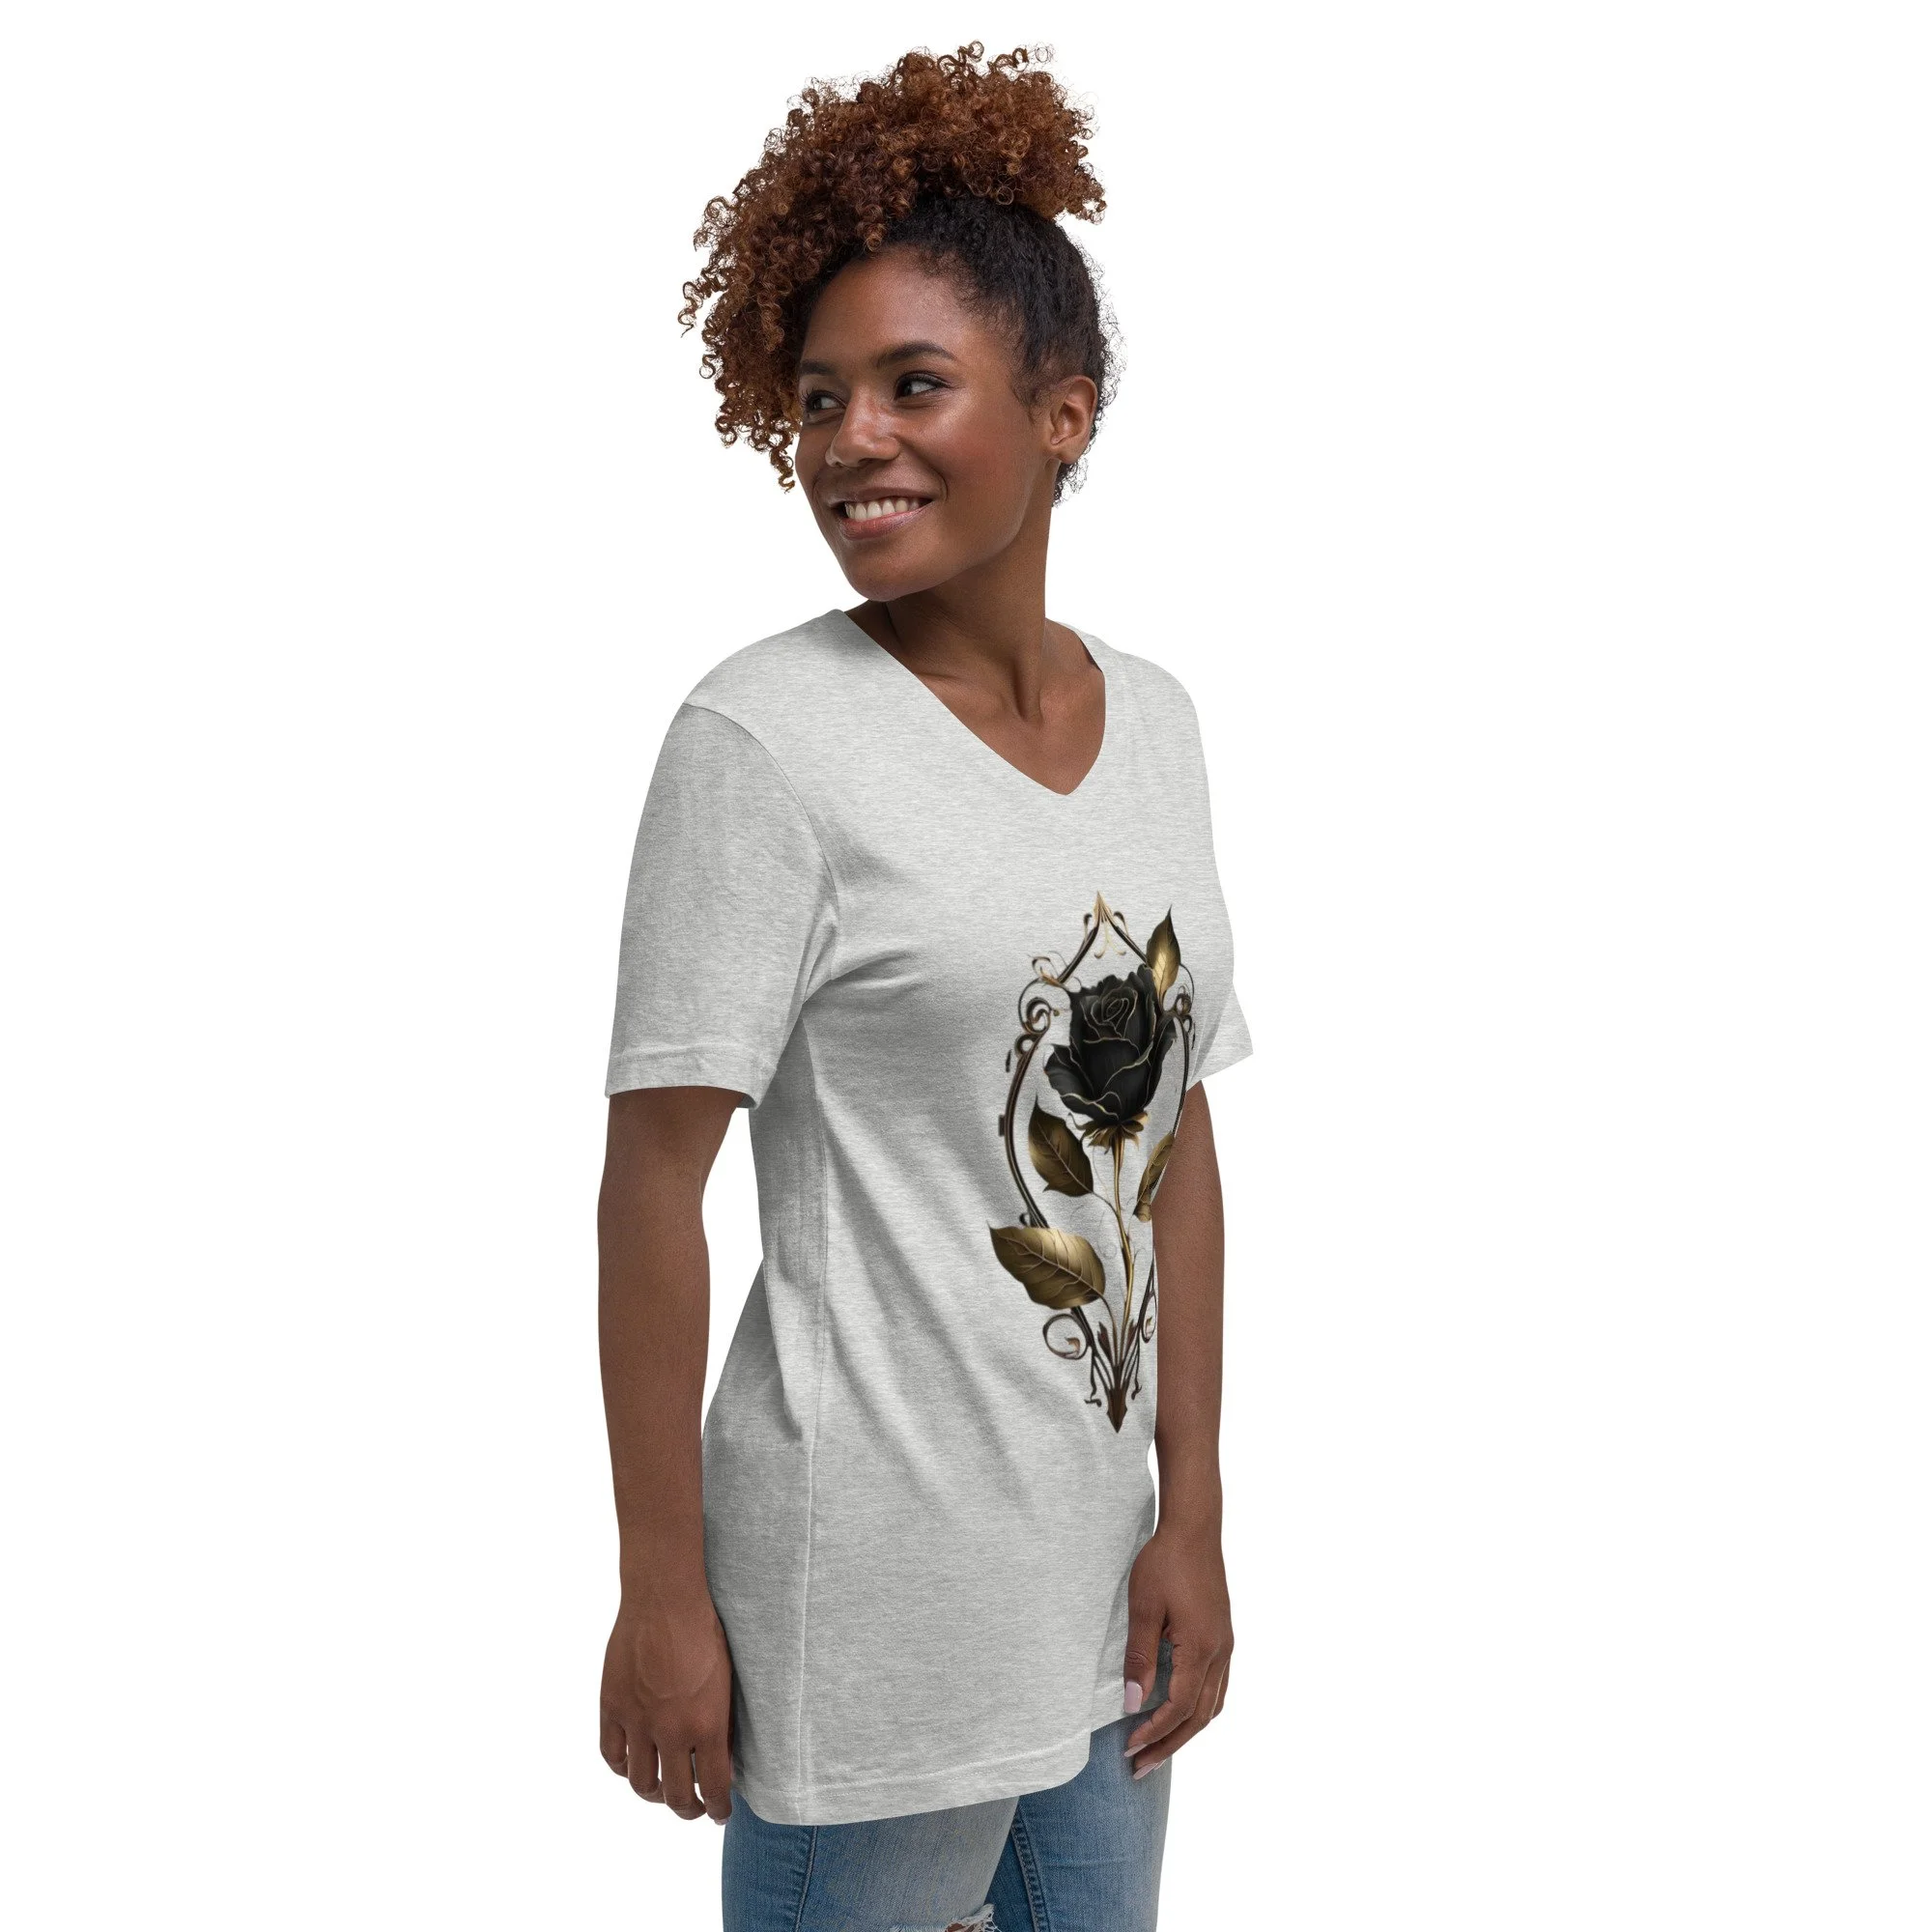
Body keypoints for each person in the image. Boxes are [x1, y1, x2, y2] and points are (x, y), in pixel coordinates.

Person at [596, 43, 1253, 1932]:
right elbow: (653, 1187)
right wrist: (661, 1591)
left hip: (1099, 1596)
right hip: (870, 1608)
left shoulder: (1157, 726)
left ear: (1063, 412)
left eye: (911, 385)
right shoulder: (764, 743)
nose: (847, 441)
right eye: (817, 399)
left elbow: (1175, 1146)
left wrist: (1192, 1513)